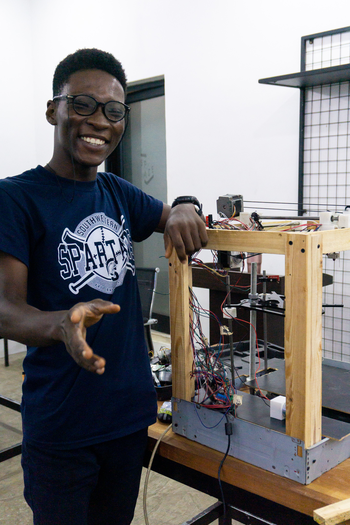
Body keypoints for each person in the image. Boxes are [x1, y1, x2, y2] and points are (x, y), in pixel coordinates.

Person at [0, 48, 208, 525]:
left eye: (114, 112)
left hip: (129, 418)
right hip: (63, 426)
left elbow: (170, 212)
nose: (100, 121)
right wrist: (59, 324)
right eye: (83, 105)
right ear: (54, 109)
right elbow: (4, 308)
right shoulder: (15, 197)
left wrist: (184, 204)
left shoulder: (116, 192)